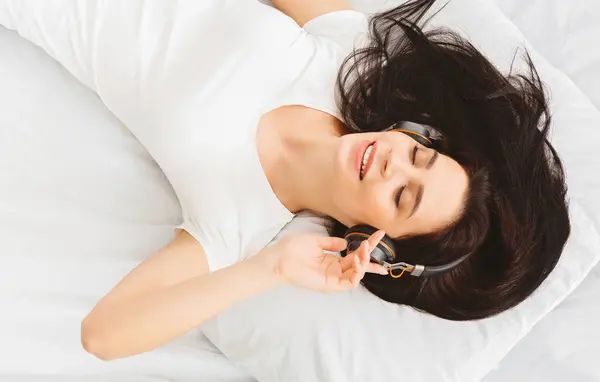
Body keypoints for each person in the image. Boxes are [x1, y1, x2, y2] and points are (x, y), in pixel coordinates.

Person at [0, 0, 570, 362]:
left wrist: (271, 269)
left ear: (378, 244)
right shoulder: (348, 56)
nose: (395, 160)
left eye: (403, 196)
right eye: (421, 153)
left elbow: (102, 335)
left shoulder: (241, 223)